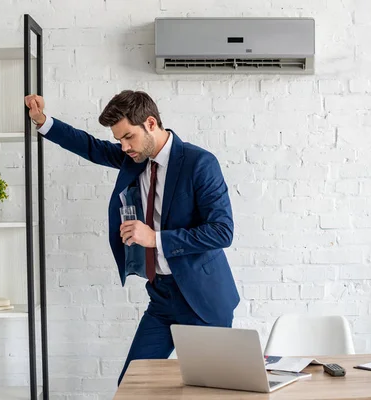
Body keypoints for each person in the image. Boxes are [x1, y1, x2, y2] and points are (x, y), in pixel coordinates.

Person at [25, 91, 240, 385]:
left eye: (128, 137)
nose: (124, 147)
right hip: (162, 298)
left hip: (202, 298)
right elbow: (90, 146)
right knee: (132, 385)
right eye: (119, 140)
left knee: (211, 390)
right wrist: (42, 120)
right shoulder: (136, 158)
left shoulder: (199, 163)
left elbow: (222, 231)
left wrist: (156, 239)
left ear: (150, 123)